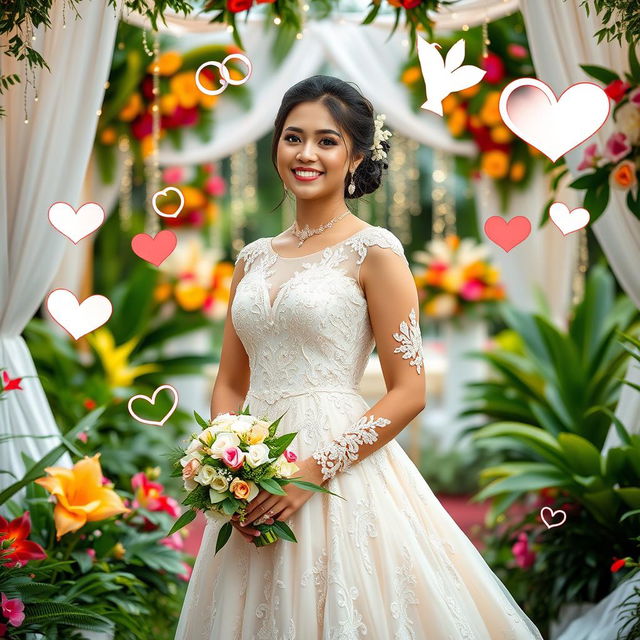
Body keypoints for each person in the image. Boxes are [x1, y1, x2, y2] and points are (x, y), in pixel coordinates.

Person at [174, 74, 544, 640]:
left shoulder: (376, 252)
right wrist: (232, 472)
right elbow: (230, 379)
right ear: (276, 145)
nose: (306, 153)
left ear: (356, 157)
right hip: (251, 478)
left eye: (327, 140)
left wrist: (309, 475)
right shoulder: (251, 259)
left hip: (335, 466)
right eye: (293, 137)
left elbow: (409, 391)